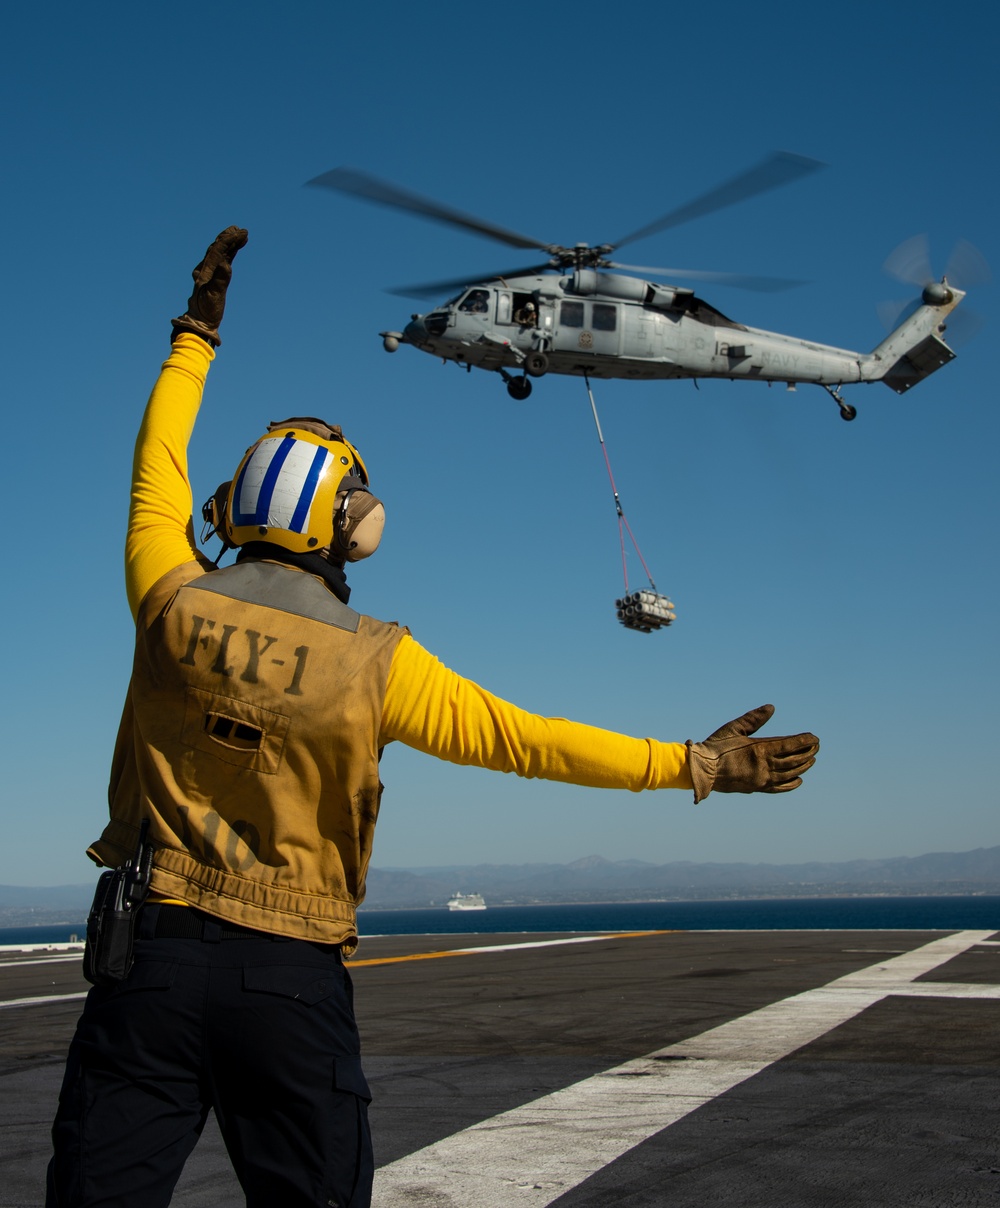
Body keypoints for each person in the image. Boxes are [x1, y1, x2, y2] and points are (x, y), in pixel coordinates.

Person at [46, 229, 819, 1208]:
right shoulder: (379, 661)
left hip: (143, 966)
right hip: (288, 980)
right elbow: (530, 738)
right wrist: (697, 764)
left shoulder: (164, 596)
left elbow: (155, 461)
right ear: (351, 524)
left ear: (236, 507)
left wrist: (194, 334)